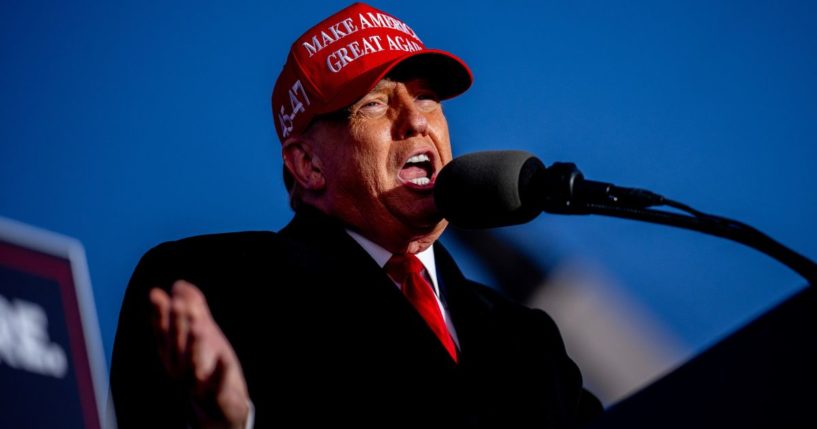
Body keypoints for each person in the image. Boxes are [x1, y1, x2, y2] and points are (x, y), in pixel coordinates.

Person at [110, 3, 603, 428]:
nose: (415, 119)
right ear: (308, 164)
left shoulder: (529, 342)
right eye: (374, 104)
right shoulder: (213, 285)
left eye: (427, 98)